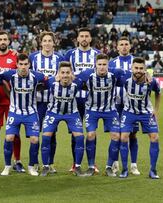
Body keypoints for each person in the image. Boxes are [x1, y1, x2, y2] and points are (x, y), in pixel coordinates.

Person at [77, 54, 124, 176]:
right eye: (99, 65)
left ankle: (109, 166)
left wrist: (147, 75)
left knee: (115, 136)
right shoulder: (87, 74)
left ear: (108, 65)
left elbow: (131, 74)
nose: (102, 67)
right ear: (95, 65)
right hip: (92, 110)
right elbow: (74, 79)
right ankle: (91, 166)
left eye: (104, 65)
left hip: (110, 110)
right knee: (91, 135)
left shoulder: (115, 73)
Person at [0, 53, 46, 176]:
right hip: (15, 112)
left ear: (29, 65)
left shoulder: (37, 76)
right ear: (17, 65)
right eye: (21, 64)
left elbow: (48, 80)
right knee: (9, 138)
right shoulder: (10, 74)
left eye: (26, 64)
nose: (23, 67)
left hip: (31, 113)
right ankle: (7, 166)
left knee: (35, 139)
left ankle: (31, 166)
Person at [40, 61, 86, 177]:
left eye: (67, 73)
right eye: (62, 73)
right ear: (58, 74)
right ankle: (46, 166)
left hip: (72, 113)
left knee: (80, 138)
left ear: (72, 74)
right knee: (45, 138)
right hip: (53, 113)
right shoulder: (51, 82)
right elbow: (38, 80)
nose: (65, 75)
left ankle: (77, 167)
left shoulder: (78, 83)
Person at [64, 27, 100, 172]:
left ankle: (92, 163)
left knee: (92, 132)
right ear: (77, 39)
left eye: (87, 36)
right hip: (74, 99)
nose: (84, 39)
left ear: (90, 39)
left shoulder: (97, 55)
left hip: (92, 99)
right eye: (82, 36)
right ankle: (75, 163)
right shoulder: (69, 54)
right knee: (75, 132)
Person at [118, 57, 161, 179]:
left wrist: (156, 110)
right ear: (131, 68)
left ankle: (153, 170)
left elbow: (158, 93)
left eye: (141, 68)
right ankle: (125, 169)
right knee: (124, 137)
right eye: (136, 68)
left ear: (145, 69)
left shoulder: (151, 81)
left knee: (155, 137)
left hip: (146, 113)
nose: (138, 70)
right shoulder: (125, 78)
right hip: (129, 112)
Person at [0, 31, 23, 172]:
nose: (2, 41)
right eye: (0, 39)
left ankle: (17, 161)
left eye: (5, 39)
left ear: (9, 42)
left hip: (12, 102)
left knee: (15, 133)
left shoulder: (15, 57)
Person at [29, 31, 65, 173]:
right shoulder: (33, 58)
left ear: (54, 42)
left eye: (50, 40)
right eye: (45, 40)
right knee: (35, 134)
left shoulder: (60, 59)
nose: (47, 43)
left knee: (51, 134)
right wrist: (49, 81)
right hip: (36, 102)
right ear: (41, 43)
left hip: (53, 102)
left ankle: (50, 163)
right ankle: (34, 162)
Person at [109, 36, 141, 176]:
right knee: (115, 135)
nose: (123, 47)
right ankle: (114, 163)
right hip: (115, 105)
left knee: (132, 135)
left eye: (126, 44)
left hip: (132, 106)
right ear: (117, 47)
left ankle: (133, 165)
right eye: (121, 44)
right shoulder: (111, 63)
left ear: (130, 46)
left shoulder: (136, 63)